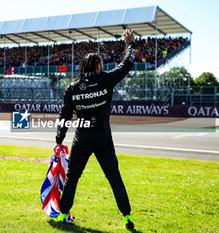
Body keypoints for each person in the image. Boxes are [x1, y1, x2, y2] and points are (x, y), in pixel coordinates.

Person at [53, 29, 136, 231]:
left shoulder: (72, 88)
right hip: (103, 137)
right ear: (97, 66)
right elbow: (127, 64)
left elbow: (64, 116)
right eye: (100, 63)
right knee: (114, 176)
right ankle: (126, 217)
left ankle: (63, 214)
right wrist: (131, 44)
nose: (102, 65)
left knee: (72, 177)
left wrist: (59, 139)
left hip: (82, 137)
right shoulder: (106, 80)